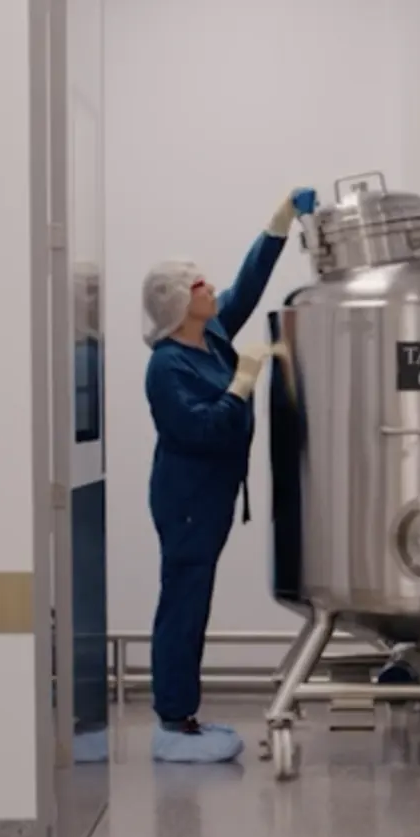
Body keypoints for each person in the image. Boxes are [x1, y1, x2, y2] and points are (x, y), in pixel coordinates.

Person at [139, 186, 318, 763]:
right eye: (199, 287)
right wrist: (243, 383)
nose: (212, 291)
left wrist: (278, 225)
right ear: (176, 303)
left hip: (210, 499)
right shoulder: (166, 367)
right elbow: (202, 431)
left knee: (193, 600)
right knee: (183, 604)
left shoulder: (210, 334)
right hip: (187, 501)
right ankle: (172, 719)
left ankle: (183, 713)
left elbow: (246, 287)